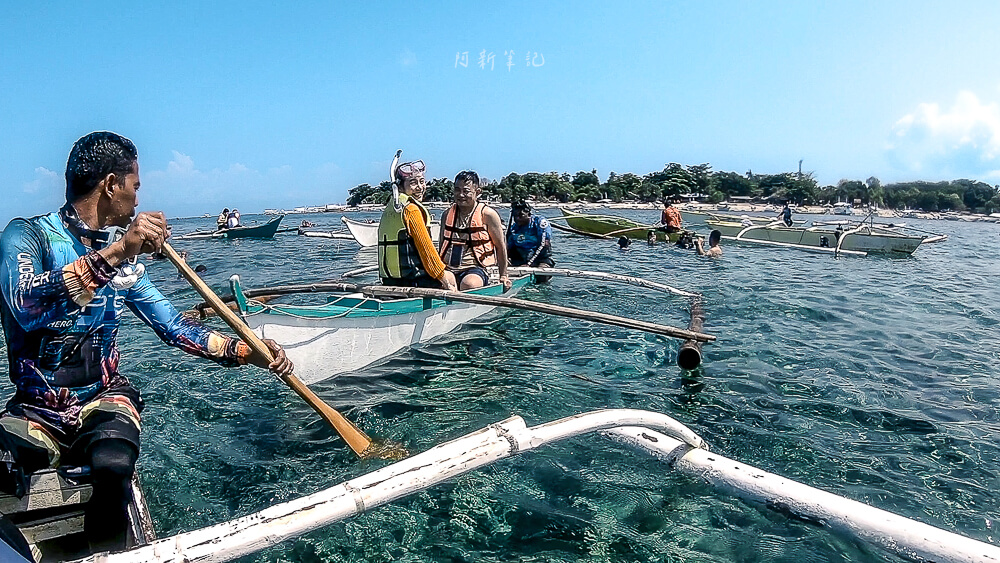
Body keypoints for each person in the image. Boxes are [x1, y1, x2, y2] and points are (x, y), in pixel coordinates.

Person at [0, 132, 293, 553]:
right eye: (135, 187)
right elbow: (26, 305)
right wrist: (120, 250)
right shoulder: (27, 236)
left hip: (101, 399)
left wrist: (248, 352)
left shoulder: (128, 264)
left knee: (114, 464)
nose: (138, 201)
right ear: (111, 185)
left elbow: (175, 327)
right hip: (34, 408)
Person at [377, 160, 457, 290]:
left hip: (389, 281)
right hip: (413, 281)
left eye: (422, 181)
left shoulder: (391, 207)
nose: (420, 187)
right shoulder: (411, 210)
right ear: (401, 187)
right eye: (413, 183)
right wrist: (444, 278)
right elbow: (426, 250)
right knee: (451, 277)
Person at [439, 171, 510, 291]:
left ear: (477, 192)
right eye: (457, 190)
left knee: (469, 284)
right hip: (449, 268)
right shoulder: (447, 214)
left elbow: (500, 246)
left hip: (475, 269)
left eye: (466, 191)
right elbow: (442, 244)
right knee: (436, 281)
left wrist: (503, 276)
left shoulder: (488, 215)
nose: (461, 195)